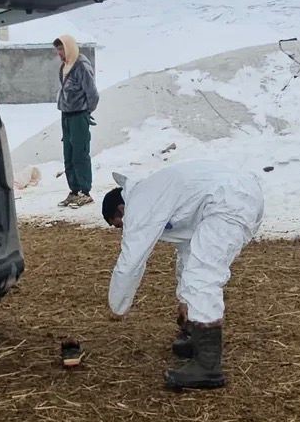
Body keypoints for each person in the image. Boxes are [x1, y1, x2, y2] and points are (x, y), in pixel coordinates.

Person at [102, 160, 264, 390]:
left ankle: (208, 366)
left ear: (121, 209)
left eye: (118, 224)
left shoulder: (140, 203)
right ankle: (197, 335)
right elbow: (187, 249)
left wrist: (118, 307)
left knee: (203, 274)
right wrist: (184, 301)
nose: (122, 229)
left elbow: (131, 261)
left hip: (229, 201)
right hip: (236, 196)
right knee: (196, 270)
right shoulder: (158, 195)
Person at [54, 35, 99, 208]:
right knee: (69, 153)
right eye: (58, 49)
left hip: (79, 114)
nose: (60, 53)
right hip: (66, 114)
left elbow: (92, 93)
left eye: (62, 49)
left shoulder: (81, 65)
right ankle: (74, 190)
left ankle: (85, 191)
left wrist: (86, 111)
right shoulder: (64, 67)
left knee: (80, 152)